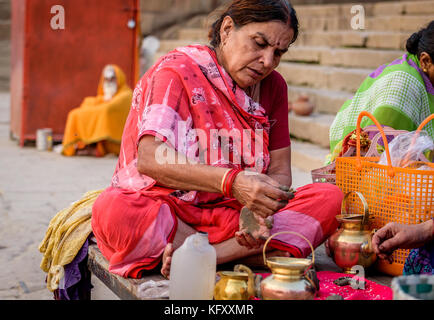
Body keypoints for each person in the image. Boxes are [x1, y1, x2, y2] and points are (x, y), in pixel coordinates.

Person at [91, 0, 343, 280]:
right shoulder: (176, 72)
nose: (268, 62)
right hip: (172, 213)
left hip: (236, 220)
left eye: (278, 53)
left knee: (330, 197)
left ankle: (209, 255)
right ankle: (259, 253)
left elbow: (280, 170)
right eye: (259, 43)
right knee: (112, 210)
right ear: (226, 29)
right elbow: (150, 158)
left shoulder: (274, 87)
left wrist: (261, 208)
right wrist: (232, 183)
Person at [327, 21, 434, 162]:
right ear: (425, 61)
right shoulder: (402, 84)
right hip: (360, 169)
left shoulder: (425, 78)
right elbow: (379, 157)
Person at [60, 64, 133, 157]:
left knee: (92, 114)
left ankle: (94, 148)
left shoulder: (126, 95)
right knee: (77, 112)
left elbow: (107, 110)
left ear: (119, 79)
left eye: (112, 79)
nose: (109, 82)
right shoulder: (107, 96)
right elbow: (96, 102)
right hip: (104, 140)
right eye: (106, 79)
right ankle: (87, 145)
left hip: (117, 144)